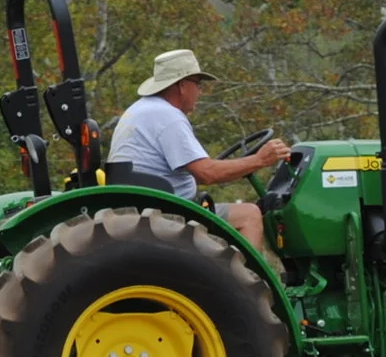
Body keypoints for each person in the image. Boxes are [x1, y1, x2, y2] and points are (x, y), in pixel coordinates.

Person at [103, 49, 292, 243]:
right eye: (198, 84)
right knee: (250, 215)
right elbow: (207, 173)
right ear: (182, 85)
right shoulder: (168, 117)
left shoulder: (141, 109)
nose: (200, 92)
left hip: (148, 205)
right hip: (169, 212)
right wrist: (259, 160)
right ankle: (246, 275)